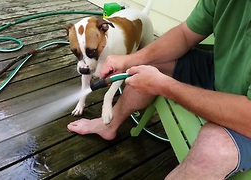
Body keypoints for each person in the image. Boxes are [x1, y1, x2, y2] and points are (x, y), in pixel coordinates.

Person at [67, 0, 251, 179]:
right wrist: (131, 59)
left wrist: (165, 86)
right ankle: (110, 124)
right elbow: (185, 34)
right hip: (222, 70)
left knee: (213, 150)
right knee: (145, 63)